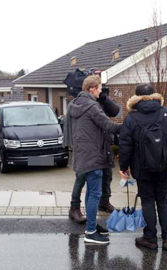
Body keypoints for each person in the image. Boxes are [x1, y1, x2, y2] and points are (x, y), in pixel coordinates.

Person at [119, 84, 167, 251]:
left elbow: (125, 145)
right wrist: (164, 145)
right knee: (163, 201)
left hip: (142, 169)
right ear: (154, 95)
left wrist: (124, 166)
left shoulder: (131, 118)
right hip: (164, 166)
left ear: (136, 98)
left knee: (148, 202)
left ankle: (150, 238)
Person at [65, 75, 121, 244]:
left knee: (91, 193)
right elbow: (109, 126)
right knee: (95, 195)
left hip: (82, 154)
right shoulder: (92, 106)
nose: (101, 91)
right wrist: (131, 125)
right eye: (99, 88)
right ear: (92, 89)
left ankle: (92, 226)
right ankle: (90, 232)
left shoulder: (74, 104)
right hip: (94, 156)